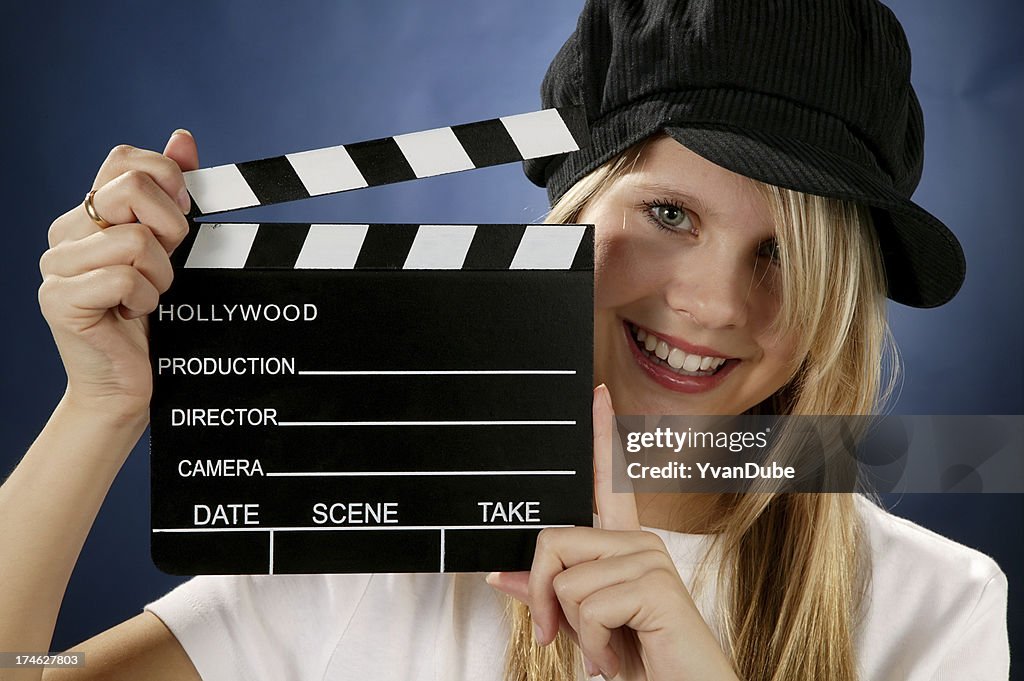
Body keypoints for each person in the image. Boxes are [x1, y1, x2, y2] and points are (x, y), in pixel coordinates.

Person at [0, 0, 1009, 679]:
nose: (711, 305)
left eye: (784, 253)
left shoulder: (935, 605)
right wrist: (101, 406)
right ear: (570, 215)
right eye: (668, 215)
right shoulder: (376, 542)